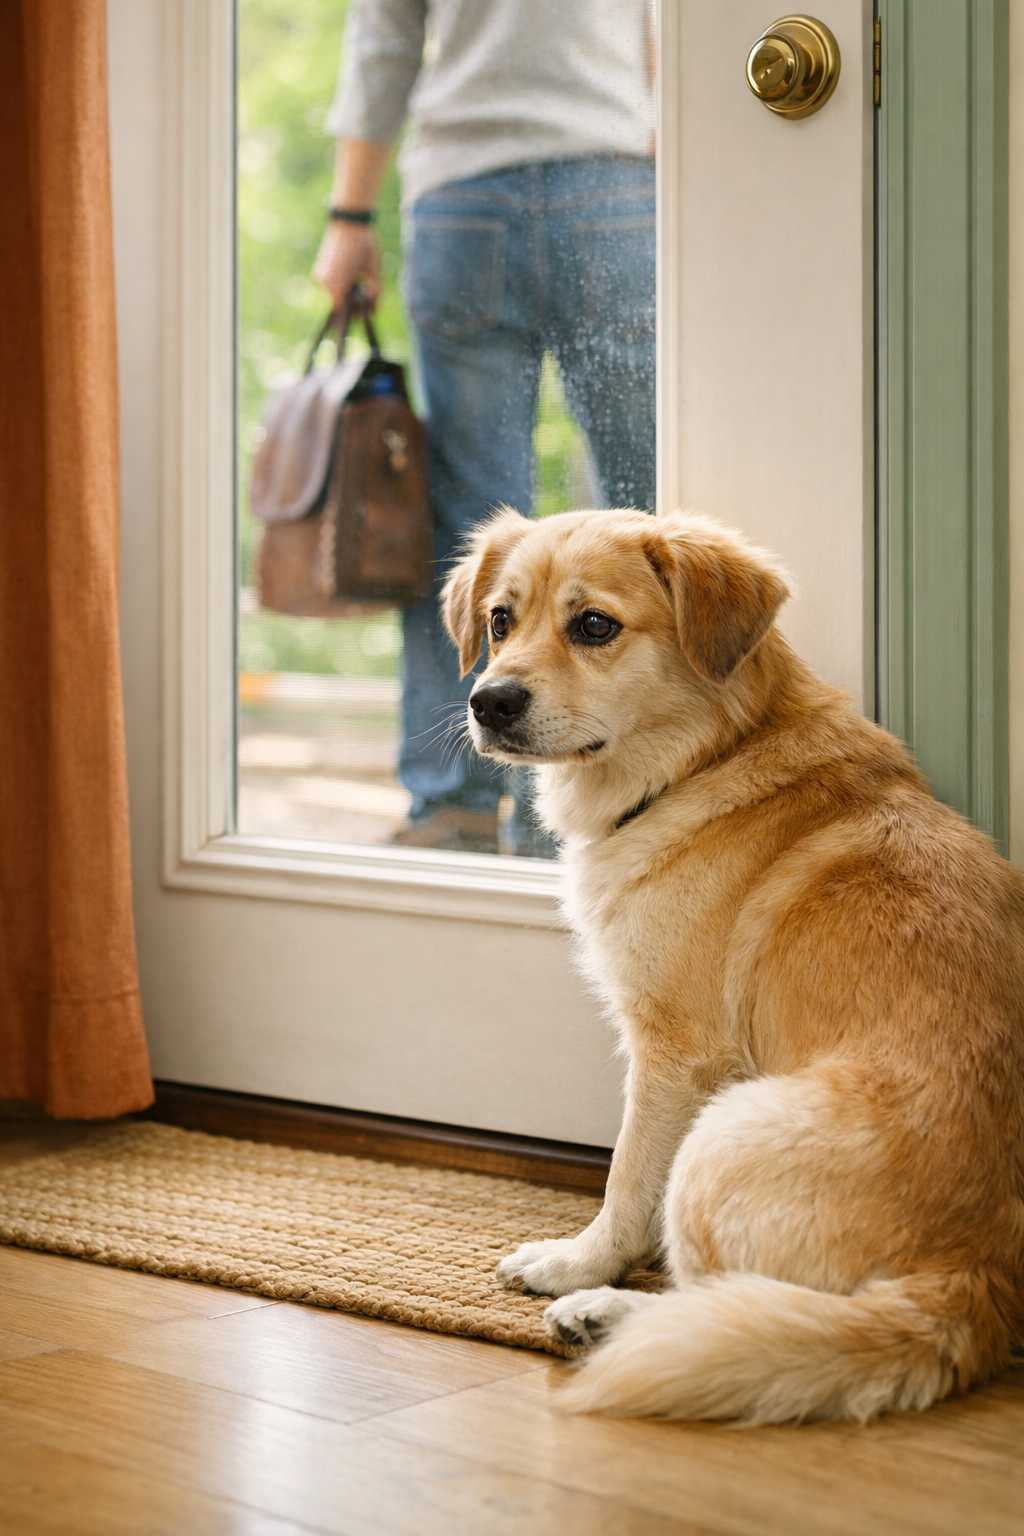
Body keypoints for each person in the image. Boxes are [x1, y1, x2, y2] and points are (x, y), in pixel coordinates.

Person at [314, 0, 656, 855]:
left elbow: (382, 43)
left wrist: (349, 217)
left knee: (474, 533)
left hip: (464, 198)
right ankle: (619, 803)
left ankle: (454, 803)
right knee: (644, 512)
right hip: (613, 182)